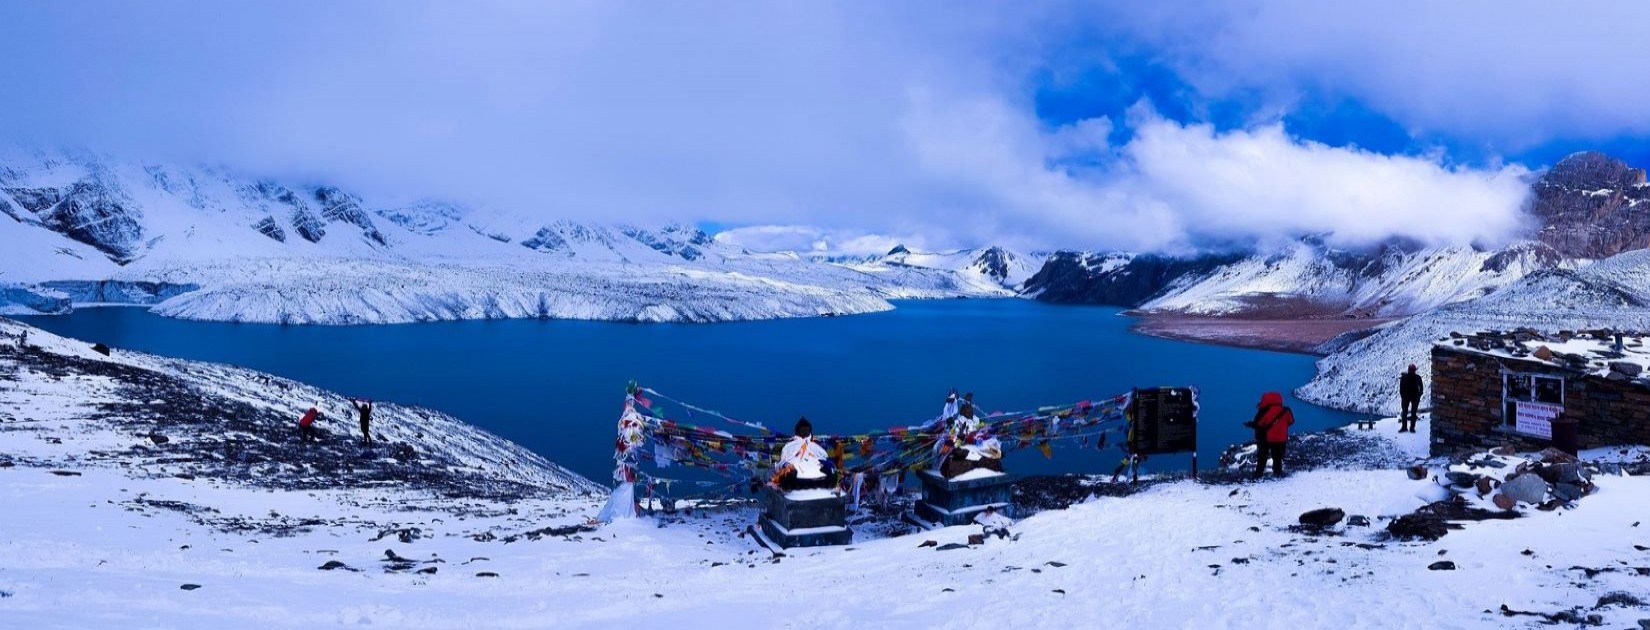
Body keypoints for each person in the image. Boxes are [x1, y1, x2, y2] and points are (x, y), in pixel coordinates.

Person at [941, 400, 1004, 478]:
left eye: (969, 410)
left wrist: (993, 427)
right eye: (966, 411)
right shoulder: (956, 424)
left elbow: (984, 429)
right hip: (961, 448)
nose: (968, 412)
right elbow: (951, 441)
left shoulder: (976, 423)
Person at [771, 417, 837, 491]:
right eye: (803, 430)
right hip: (797, 475)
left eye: (806, 430)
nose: (804, 432)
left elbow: (824, 458)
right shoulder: (790, 446)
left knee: (830, 468)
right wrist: (786, 465)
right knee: (790, 471)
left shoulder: (814, 446)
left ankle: (824, 485)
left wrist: (826, 464)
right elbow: (784, 461)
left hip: (815, 472)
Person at [1245, 392, 1294, 478]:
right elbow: (1291, 421)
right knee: (1277, 458)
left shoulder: (1264, 411)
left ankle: (1258, 475)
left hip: (1266, 438)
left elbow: (1258, 424)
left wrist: (1249, 424)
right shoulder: (1286, 410)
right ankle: (1277, 474)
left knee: (1262, 457)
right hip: (1281, 439)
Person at [1399, 364, 1424, 433]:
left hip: (1409, 397)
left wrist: (1403, 396)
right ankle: (1410, 428)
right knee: (1411, 413)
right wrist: (1419, 395)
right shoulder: (1417, 377)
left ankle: (1405, 428)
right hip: (1413, 397)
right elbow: (1421, 388)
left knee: (1406, 413)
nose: (1412, 371)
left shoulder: (1404, 377)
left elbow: (1401, 388)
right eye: (1412, 369)